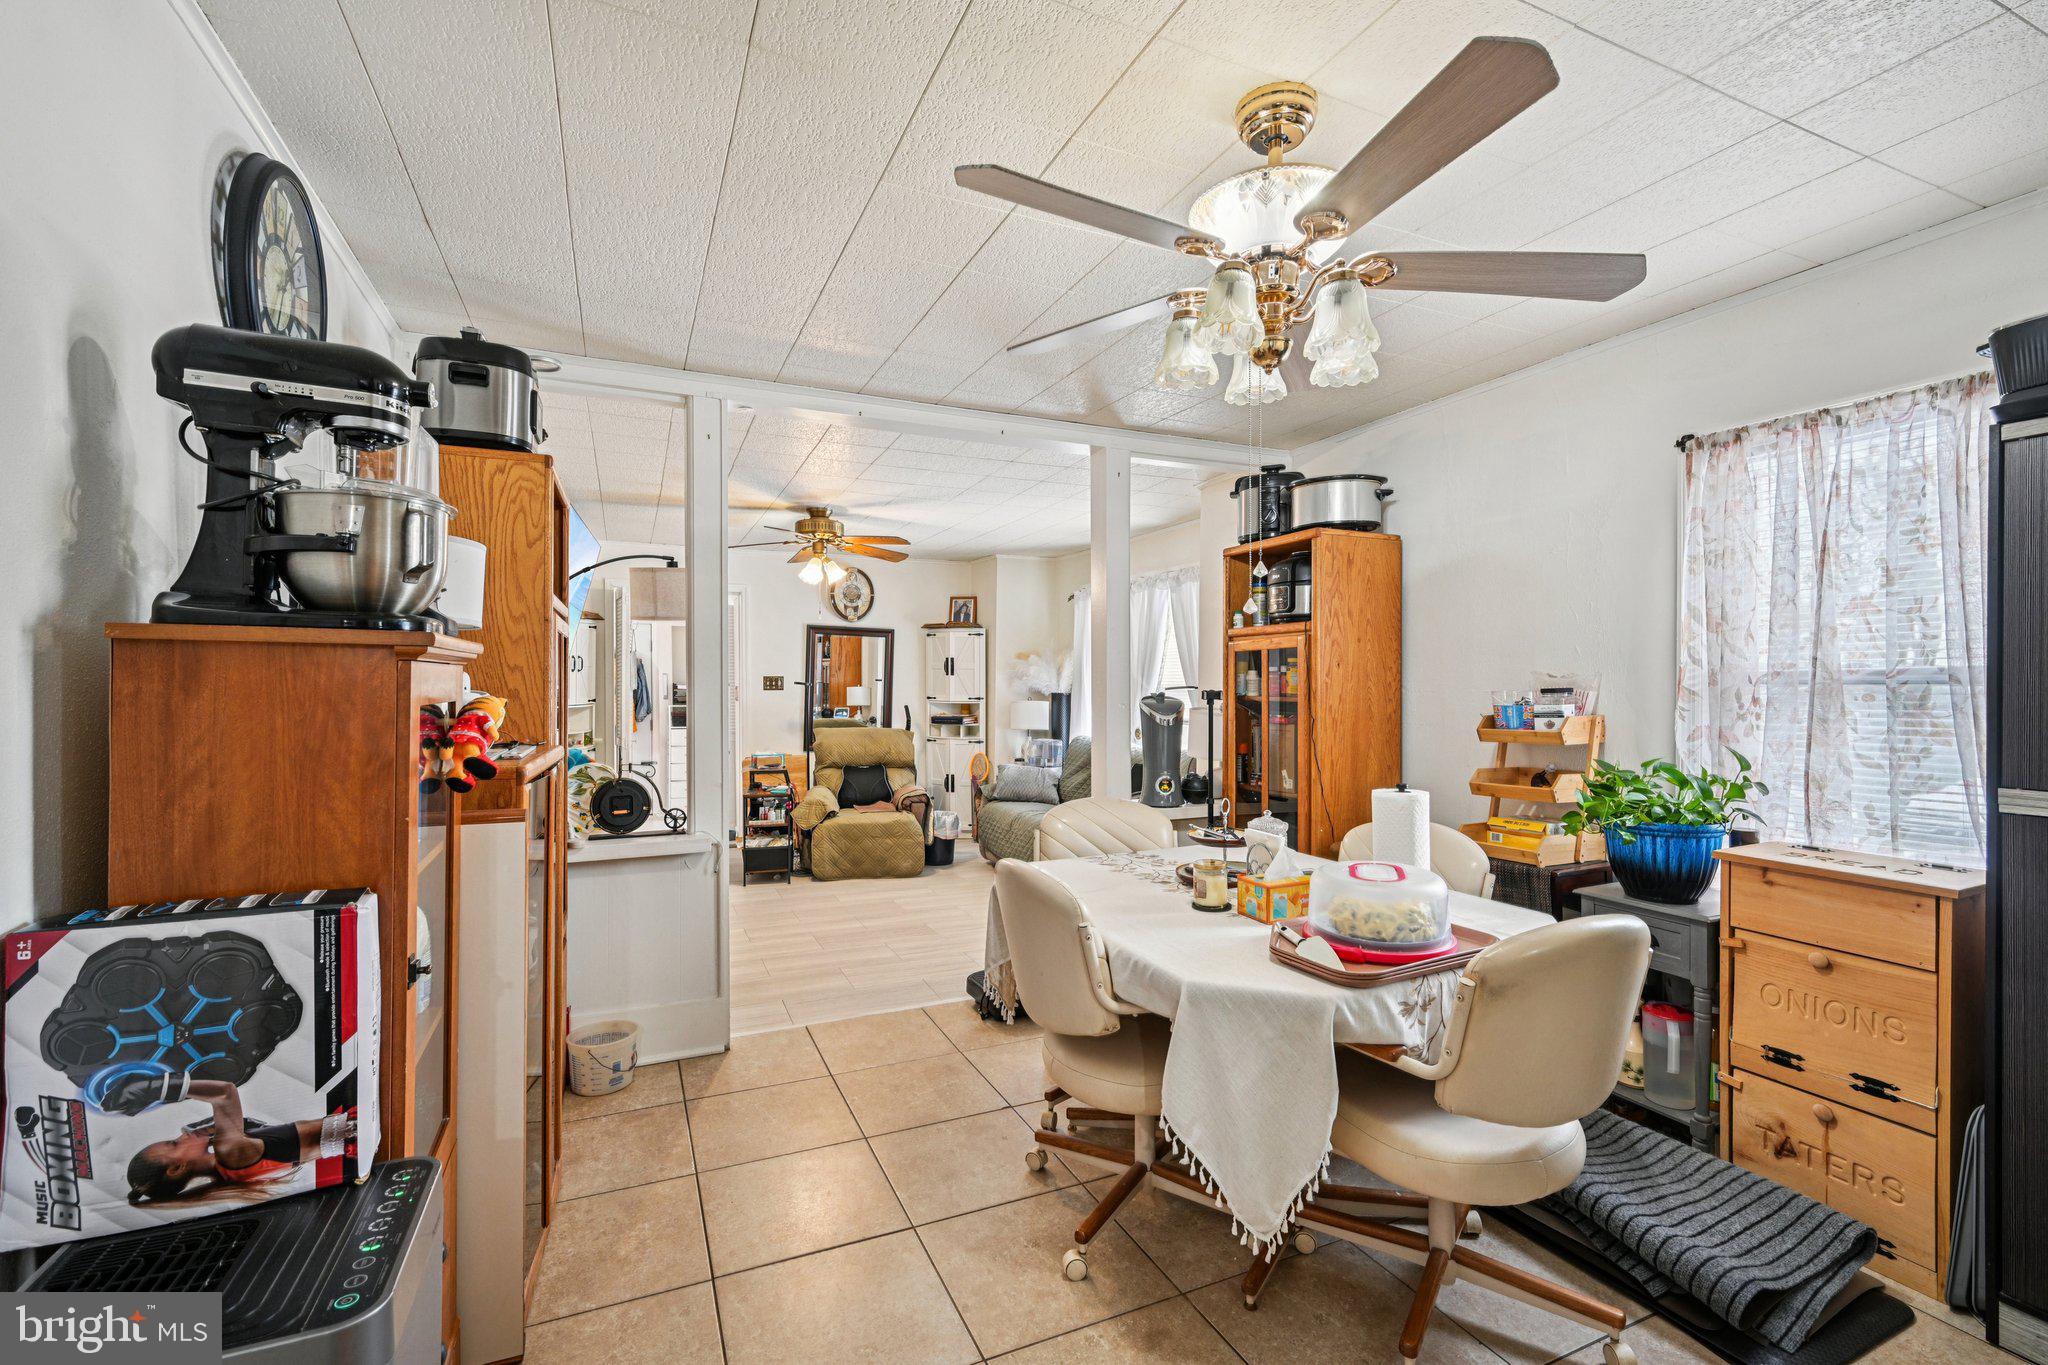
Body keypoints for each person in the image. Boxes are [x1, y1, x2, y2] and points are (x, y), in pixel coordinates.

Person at [119, 1075, 351, 1205]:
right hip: (351, 1130)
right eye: (174, 1144)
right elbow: (225, 1092)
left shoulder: (230, 1169)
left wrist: (207, 1130)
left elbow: (246, 1125)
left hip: (349, 1130)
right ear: (177, 1167)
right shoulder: (230, 1155)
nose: (182, 1136)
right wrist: (157, 1087)